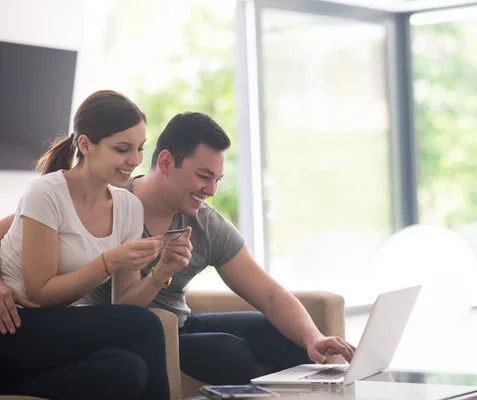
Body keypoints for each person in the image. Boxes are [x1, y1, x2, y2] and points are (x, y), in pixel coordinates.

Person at [73, 111, 357, 385]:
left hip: (180, 326)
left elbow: (269, 295)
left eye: (217, 179)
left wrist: (312, 337)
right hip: (130, 334)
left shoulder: (205, 223)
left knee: (289, 337)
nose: (211, 190)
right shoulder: (114, 207)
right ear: (166, 162)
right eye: (203, 176)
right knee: (227, 351)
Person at [0, 90, 178, 400]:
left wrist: (159, 274)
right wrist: (108, 262)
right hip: (16, 326)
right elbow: (39, 294)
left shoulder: (128, 207)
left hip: (54, 335)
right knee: (147, 325)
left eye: (139, 149)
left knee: (126, 370)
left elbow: (123, 306)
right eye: (122, 149)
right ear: (86, 145)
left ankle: (14, 387)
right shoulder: (46, 193)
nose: (134, 161)